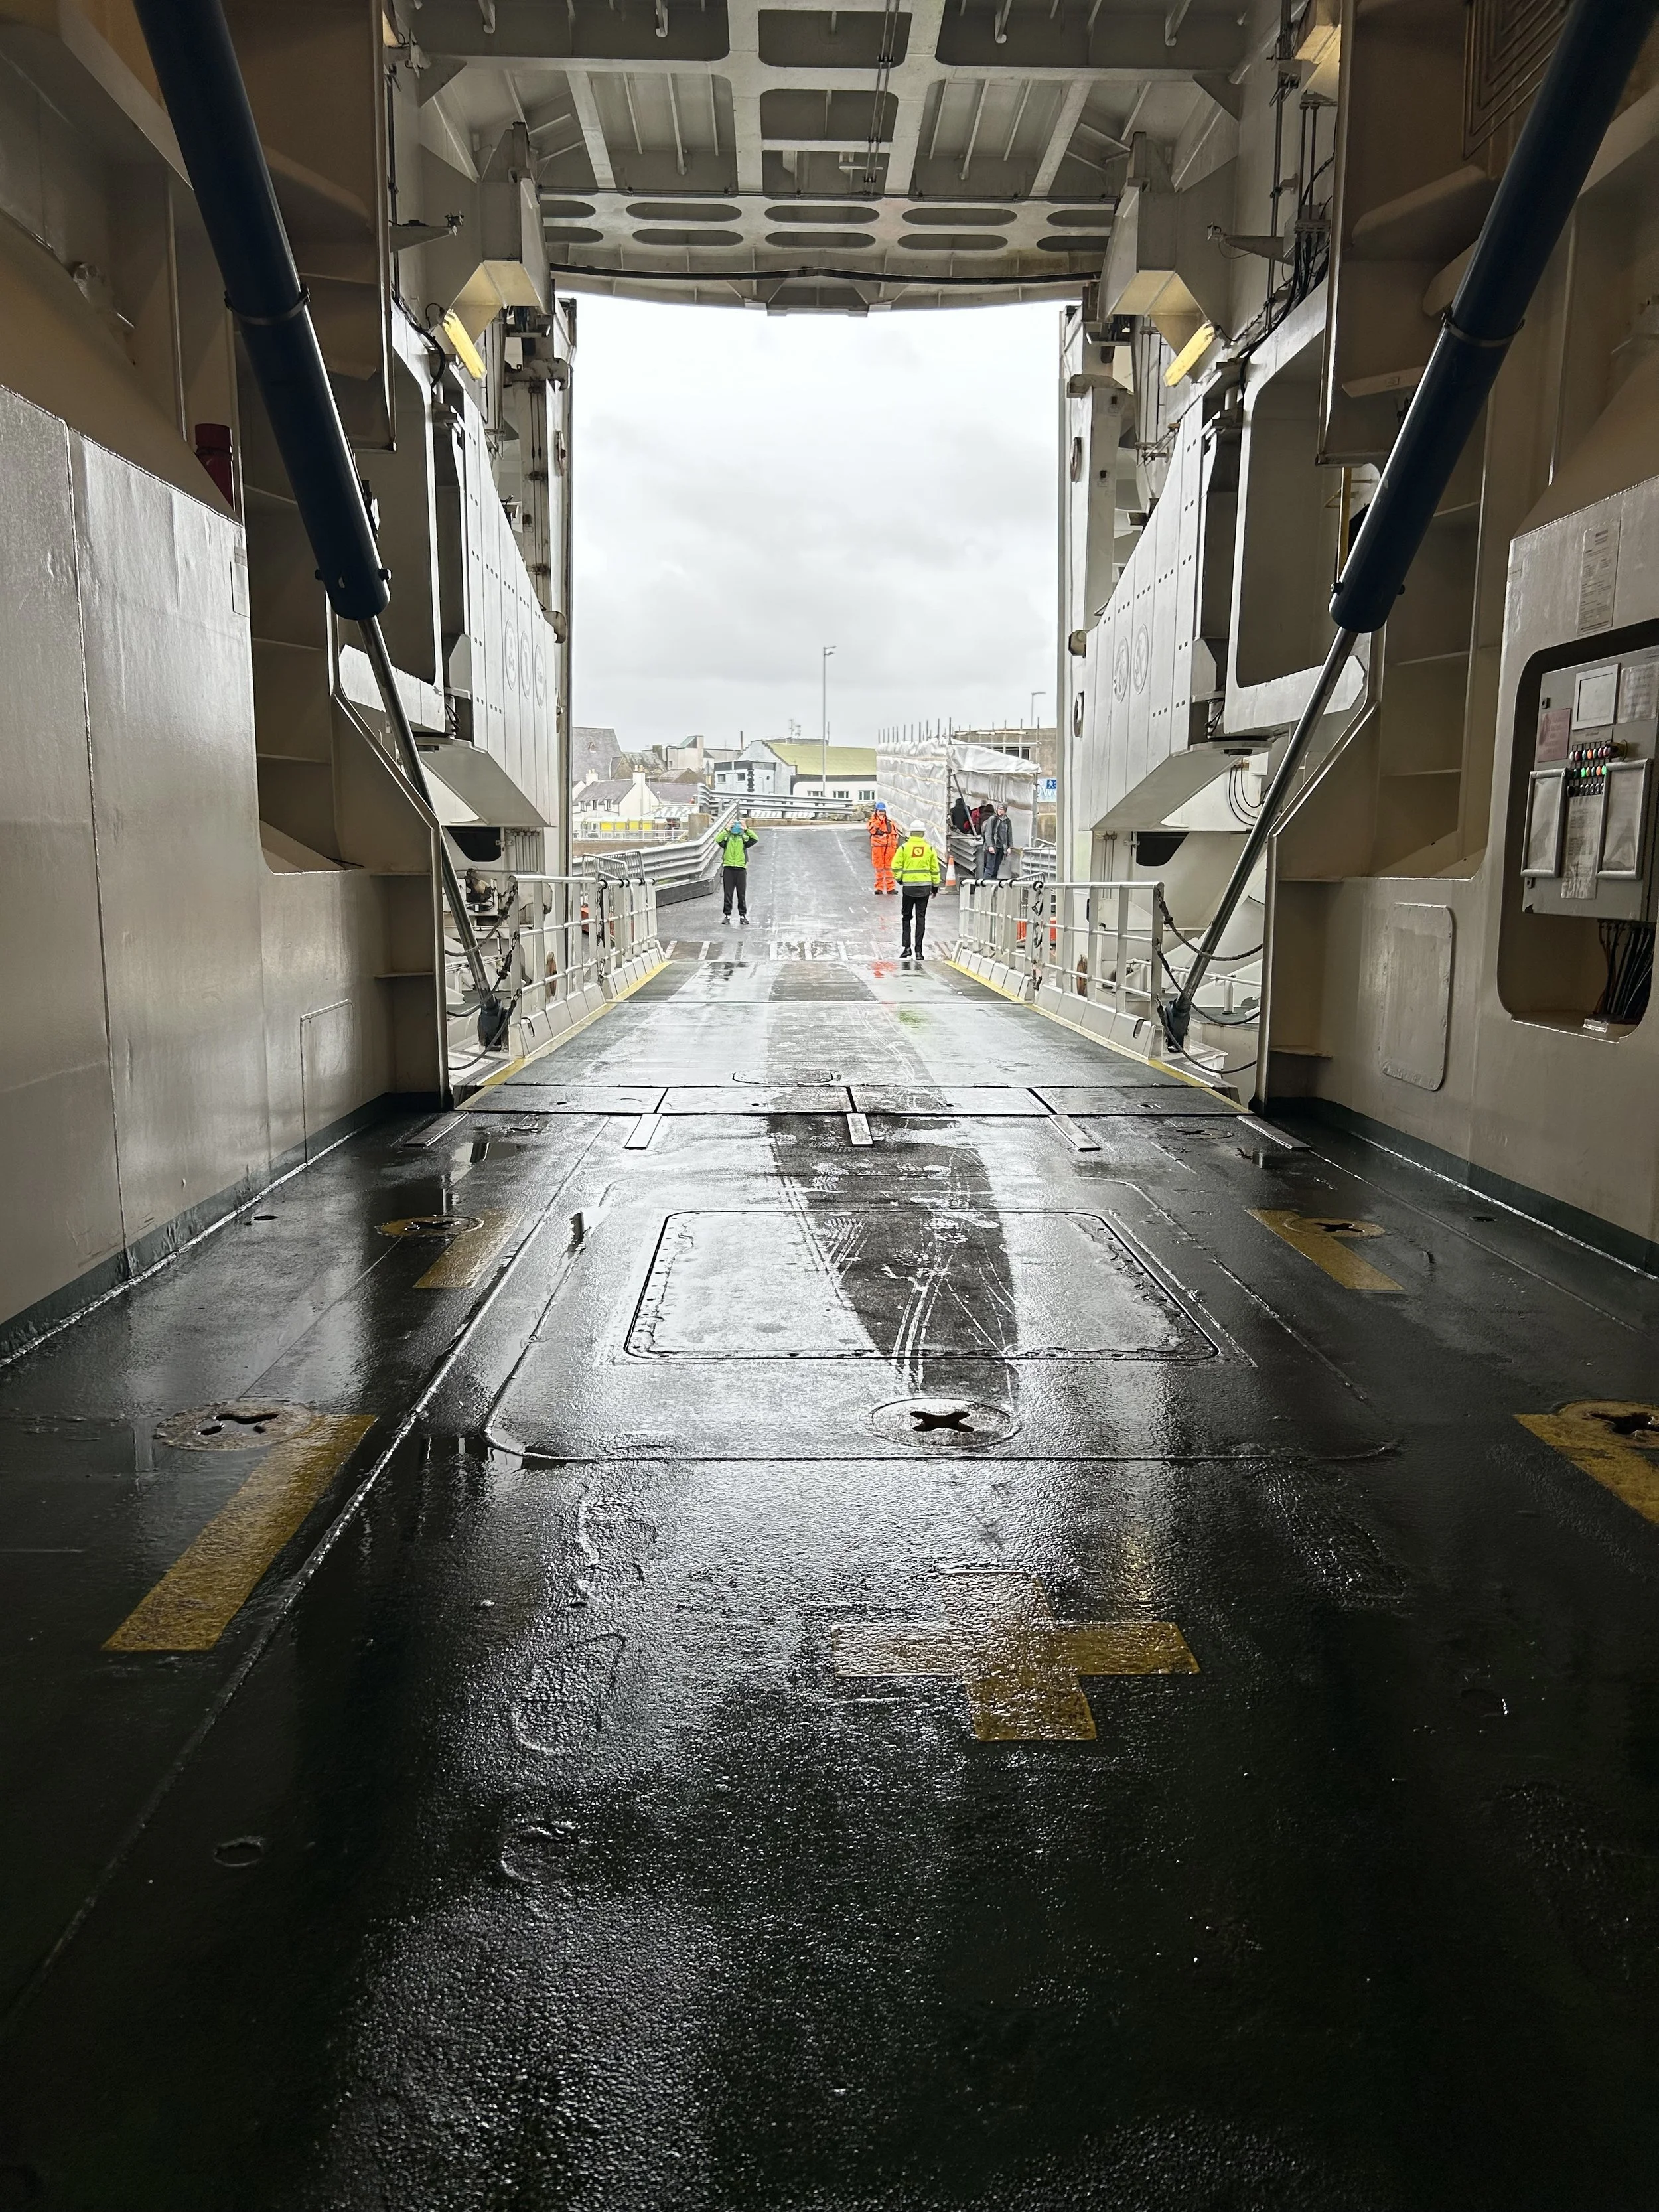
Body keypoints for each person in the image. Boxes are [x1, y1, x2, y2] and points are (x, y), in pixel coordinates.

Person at [891, 821, 942, 960]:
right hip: (924, 889)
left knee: (906, 917)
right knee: (921, 918)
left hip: (908, 889)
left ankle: (907, 948)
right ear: (923, 834)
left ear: (911, 833)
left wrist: (900, 880)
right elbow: (935, 870)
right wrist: (935, 887)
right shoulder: (929, 849)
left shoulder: (903, 848)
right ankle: (919, 951)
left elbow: (895, 866)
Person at [719, 813, 757, 923]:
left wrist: (746, 829)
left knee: (741, 894)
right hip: (728, 868)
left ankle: (742, 916)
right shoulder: (727, 839)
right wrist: (726, 829)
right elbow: (718, 840)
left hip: (741, 868)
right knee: (728, 893)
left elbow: (755, 838)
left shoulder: (743, 839)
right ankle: (727, 916)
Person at [867, 802, 899, 895]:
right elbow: (871, 830)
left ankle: (890, 888)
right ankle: (879, 888)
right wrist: (879, 821)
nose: (881, 813)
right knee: (879, 868)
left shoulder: (890, 822)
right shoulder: (872, 822)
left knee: (889, 868)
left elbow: (894, 835)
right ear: (876, 811)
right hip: (878, 848)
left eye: (882, 811)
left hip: (889, 848)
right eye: (879, 811)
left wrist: (893, 847)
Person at [980, 802, 1013, 881]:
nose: (1000, 811)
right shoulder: (993, 819)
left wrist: (1009, 847)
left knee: (996, 869)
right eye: (999, 809)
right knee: (990, 869)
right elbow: (988, 833)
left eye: (1002, 810)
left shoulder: (1007, 821)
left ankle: (992, 886)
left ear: (1005, 811)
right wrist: (990, 845)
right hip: (993, 846)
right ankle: (985, 887)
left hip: (1002, 847)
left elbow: (1009, 835)